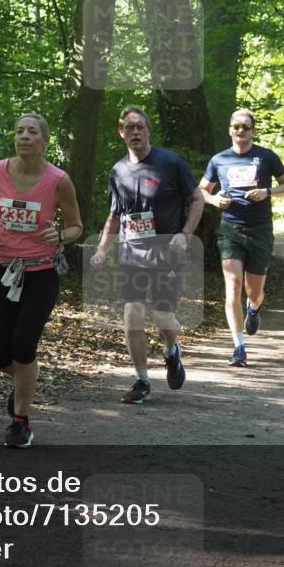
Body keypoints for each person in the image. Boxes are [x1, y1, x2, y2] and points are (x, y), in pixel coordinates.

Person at [0, 113, 83, 447]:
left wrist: (60, 235)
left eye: (32, 132)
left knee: (24, 346)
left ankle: (21, 421)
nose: (24, 136)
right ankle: (26, 383)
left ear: (44, 141)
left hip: (41, 272)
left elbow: (77, 226)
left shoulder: (58, 180)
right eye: (19, 131)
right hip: (2, 270)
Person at [91, 106, 204, 404]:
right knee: (133, 313)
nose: (135, 131)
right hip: (131, 253)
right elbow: (114, 216)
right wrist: (103, 249)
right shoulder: (117, 171)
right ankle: (141, 379)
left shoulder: (170, 162)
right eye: (129, 127)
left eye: (140, 126)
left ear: (148, 130)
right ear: (121, 132)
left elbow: (197, 198)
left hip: (167, 253)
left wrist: (185, 234)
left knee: (163, 317)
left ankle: (171, 351)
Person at [199, 109, 284, 367]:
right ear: (230, 130)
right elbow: (201, 191)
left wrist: (268, 192)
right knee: (233, 285)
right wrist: (214, 198)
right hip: (230, 229)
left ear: (252, 130)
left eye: (245, 126)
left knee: (254, 291)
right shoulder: (219, 160)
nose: (240, 130)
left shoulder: (265, 157)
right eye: (236, 126)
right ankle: (239, 347)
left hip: (260, 229)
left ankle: (254, 308)